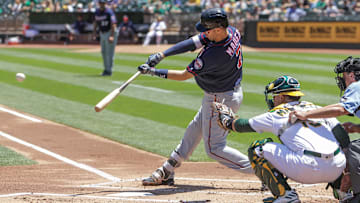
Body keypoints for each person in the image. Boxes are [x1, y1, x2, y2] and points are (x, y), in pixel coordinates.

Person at [138, 8, 253, 186]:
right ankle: (167, 170)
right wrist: (162, 54)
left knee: (215, 149)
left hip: (220, 99)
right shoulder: (231, 32)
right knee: (193, 131)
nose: (203, 32)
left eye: (206, 29)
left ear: (217, 29)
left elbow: (184, 75)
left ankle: (263, 171)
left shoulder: (214, 55)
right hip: (224, 93)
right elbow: (194, 41)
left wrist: (153, 72)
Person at [214, 75, 347, 202]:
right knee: (333, 145)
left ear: (282, 97)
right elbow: (343, 138)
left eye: (275, 96)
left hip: (306, 170)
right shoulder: (317, 108)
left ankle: (286, 195)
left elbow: (242, 126)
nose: (273, 100)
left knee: (257, 149)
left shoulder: (275, 114)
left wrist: (226, 120)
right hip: (336, 168)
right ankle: (344, 191)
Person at [291, 56, 360, 203]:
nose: (342, 79)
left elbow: (340, 109)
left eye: (344, 75)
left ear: (352, 75)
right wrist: (355, 128)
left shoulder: (356, 86)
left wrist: (306, 114)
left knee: (354, 148)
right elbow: (338, 106)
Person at [92, 0, 118, 76]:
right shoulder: (97, 11)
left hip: (110, 32)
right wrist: (94, 32)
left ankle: (109, 71)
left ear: (105, 3)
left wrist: (112, 36)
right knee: (103, 52)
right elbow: (95, 22)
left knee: (109, 53)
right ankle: (106, 69)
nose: (101, 4)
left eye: (103, 3)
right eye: (100, 2)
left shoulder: (109, 11)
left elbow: (113, 24)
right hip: (102, 33)